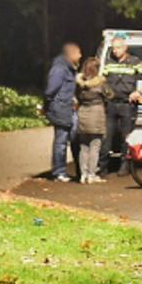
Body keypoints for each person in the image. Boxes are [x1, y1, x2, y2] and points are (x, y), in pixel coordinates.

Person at [101, 35, 142, 176]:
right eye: (113, 48)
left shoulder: (135, 62)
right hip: (111, 105)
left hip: (128, 104)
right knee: (107, 137)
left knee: (126, 137)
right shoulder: (109, 62)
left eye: (118, 48)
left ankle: (124, 166)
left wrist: (139, 92)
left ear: (125, 48)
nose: (115, 51)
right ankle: (102, 168)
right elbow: (102, 79)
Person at [43, 42, 81, 181]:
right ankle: (58, 172)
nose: (80, 56)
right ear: (71, 54)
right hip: (60, 109)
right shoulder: (59, 69)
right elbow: (51, 90)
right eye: (78, 53)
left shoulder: (69, 68)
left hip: (68, 108)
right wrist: (50, 105)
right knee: (61, 141)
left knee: (73, 138)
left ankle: (78, 170)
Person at [75, 57, 112, 184]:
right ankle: (92, 175)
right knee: (95, 145)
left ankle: (83, 174)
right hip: (96, 112)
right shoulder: (100, 83)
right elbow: (110, 95)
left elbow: (76, 97)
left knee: (83, 146)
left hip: (83, 112)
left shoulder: (79, 83)